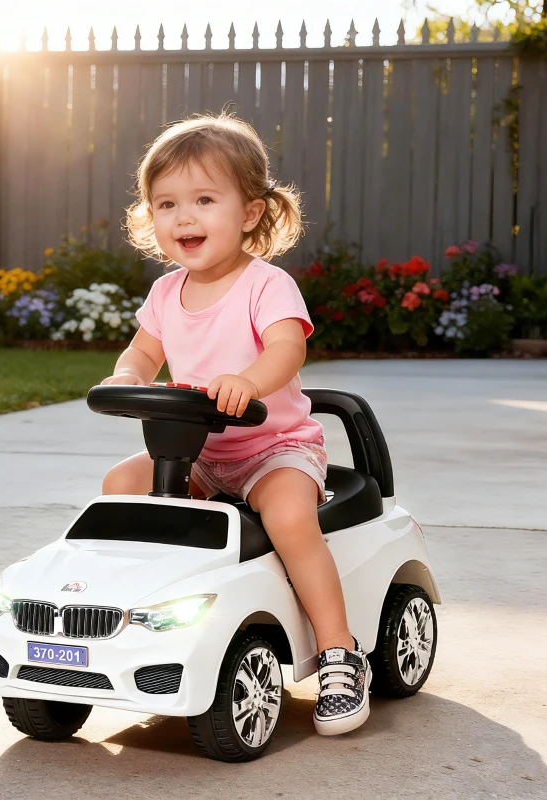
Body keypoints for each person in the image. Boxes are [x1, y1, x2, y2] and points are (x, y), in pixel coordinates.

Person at [100, 113, 371, 735]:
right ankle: (144, 623)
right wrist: (128, 376)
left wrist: (248, 381)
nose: (183, 218)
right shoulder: (167, 294)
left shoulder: (265, 285)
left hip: (273, 449)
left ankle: (337, 652)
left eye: (203, 200)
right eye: (166, 204)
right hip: (198, 454)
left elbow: (286, 350)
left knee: (290, 518)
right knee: (120, 485)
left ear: (249, 213)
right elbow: (142, 353)